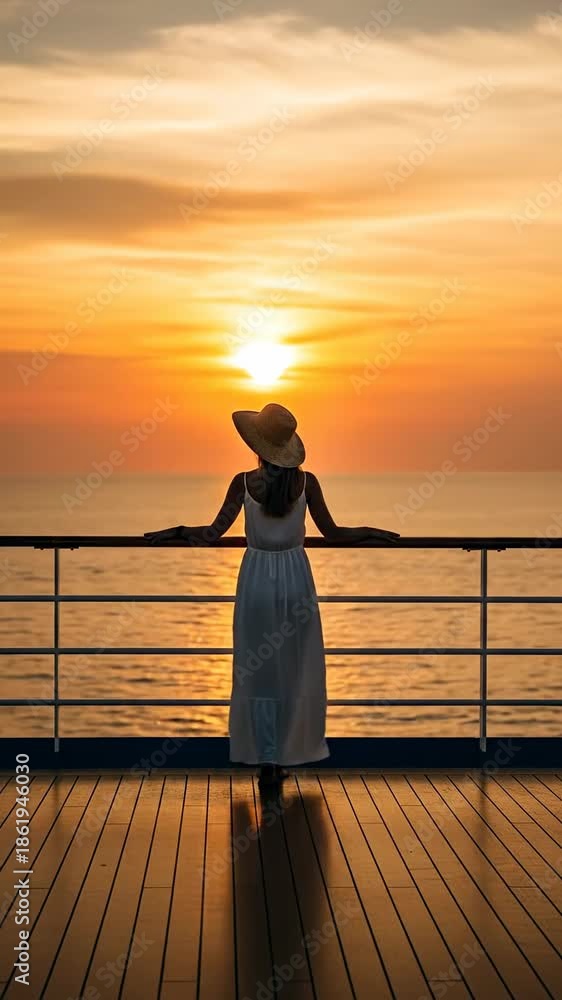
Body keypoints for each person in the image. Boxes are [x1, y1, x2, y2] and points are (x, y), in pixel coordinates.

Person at [145, 403, 400, 786]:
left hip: (256, 581)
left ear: (257, 444)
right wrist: (370, 531)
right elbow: (333, 534)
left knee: (257, 672)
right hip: (296, 579)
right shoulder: (307, 483)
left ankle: (266, 758)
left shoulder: (243, 483)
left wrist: (178, 531)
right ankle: (286, 754)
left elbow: (212, 533)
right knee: (295, 669)